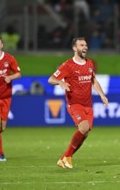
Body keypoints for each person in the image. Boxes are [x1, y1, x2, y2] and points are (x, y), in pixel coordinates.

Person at [48, 37, 109, 169]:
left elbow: (93, 80)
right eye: (81, 45)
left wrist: (102, 95)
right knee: (83, 128)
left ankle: (63, 158)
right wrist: (60, 82)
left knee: (84, 134)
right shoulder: (68, 65)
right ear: (74, 48)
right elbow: (51, 79)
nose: (85, 47)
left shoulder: (89, 63)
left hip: (88, 104)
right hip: (75, 103)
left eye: (86, 45)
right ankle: (68, 157)